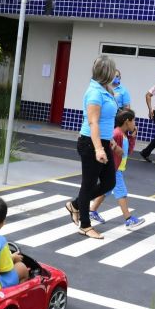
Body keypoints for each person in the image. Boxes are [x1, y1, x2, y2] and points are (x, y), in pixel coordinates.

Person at [65, 55, 119, 239]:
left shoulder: (105, 90)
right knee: (88, 184)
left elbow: (106, 120)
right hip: (91, 142)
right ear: (108, 73)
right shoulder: (95, 93)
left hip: (103, 141)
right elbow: (93, 122)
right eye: (113, 71)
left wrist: (109, 141)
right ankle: (85, 225)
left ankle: (76, 205)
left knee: (109, 182)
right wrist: (98, 148)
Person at [88, 109, 145, 230]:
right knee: (121, 192)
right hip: (114, 169)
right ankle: (129, 219)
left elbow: (127, 152)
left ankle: (92, 211)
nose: (135, 124)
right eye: (133, 121)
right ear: (126, 121)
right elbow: (108, 145)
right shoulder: (117, 133)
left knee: (106, 190)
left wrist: (133, 138)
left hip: (118, 168)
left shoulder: (124, 135)